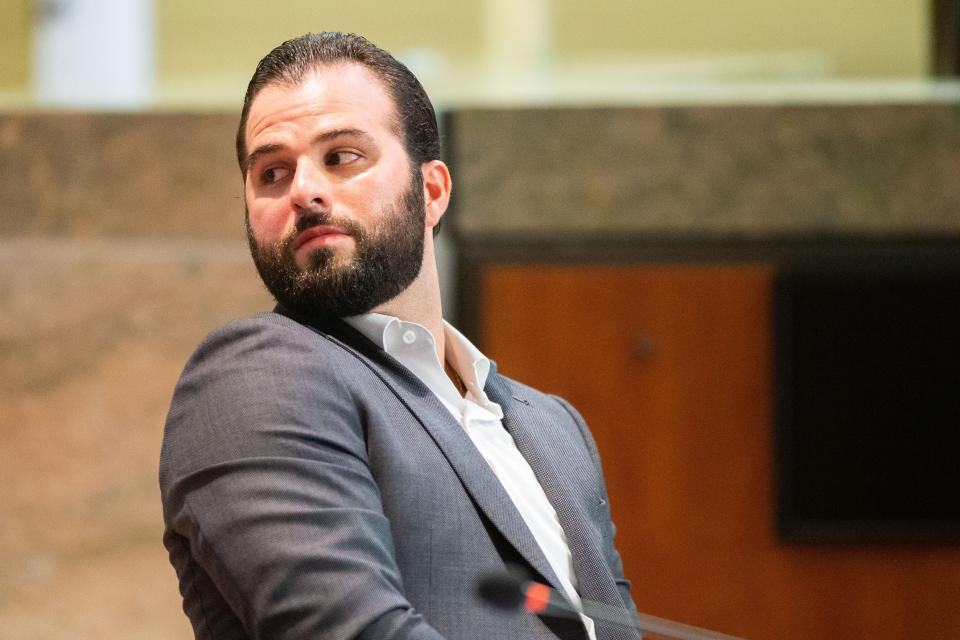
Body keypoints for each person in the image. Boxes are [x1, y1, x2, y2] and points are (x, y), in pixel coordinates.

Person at [160, 32, 638, 640]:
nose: (303, 190)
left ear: (431, 191)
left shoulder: (555, 428)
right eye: (272, 173)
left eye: (341, 157)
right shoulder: (258, 376)